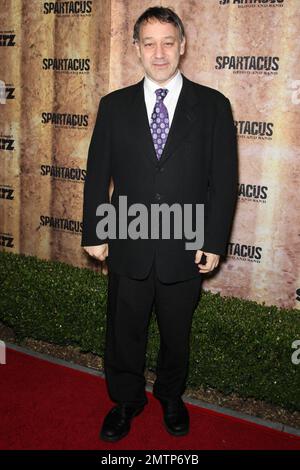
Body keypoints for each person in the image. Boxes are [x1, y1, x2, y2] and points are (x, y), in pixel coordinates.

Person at [81, 6, 238, 442]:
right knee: (123, 331)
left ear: (183, 45)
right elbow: (97, 174)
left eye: (168, 42)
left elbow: (224, 182)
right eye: (149, 43)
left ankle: (171, 396)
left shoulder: (213, 106)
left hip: (183, 245)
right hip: (128, 241)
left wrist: (213, 240)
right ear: (136, 48)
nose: (160, 52)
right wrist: (96, 230)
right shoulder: (113, 106)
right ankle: (126, 400)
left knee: (176, 332)